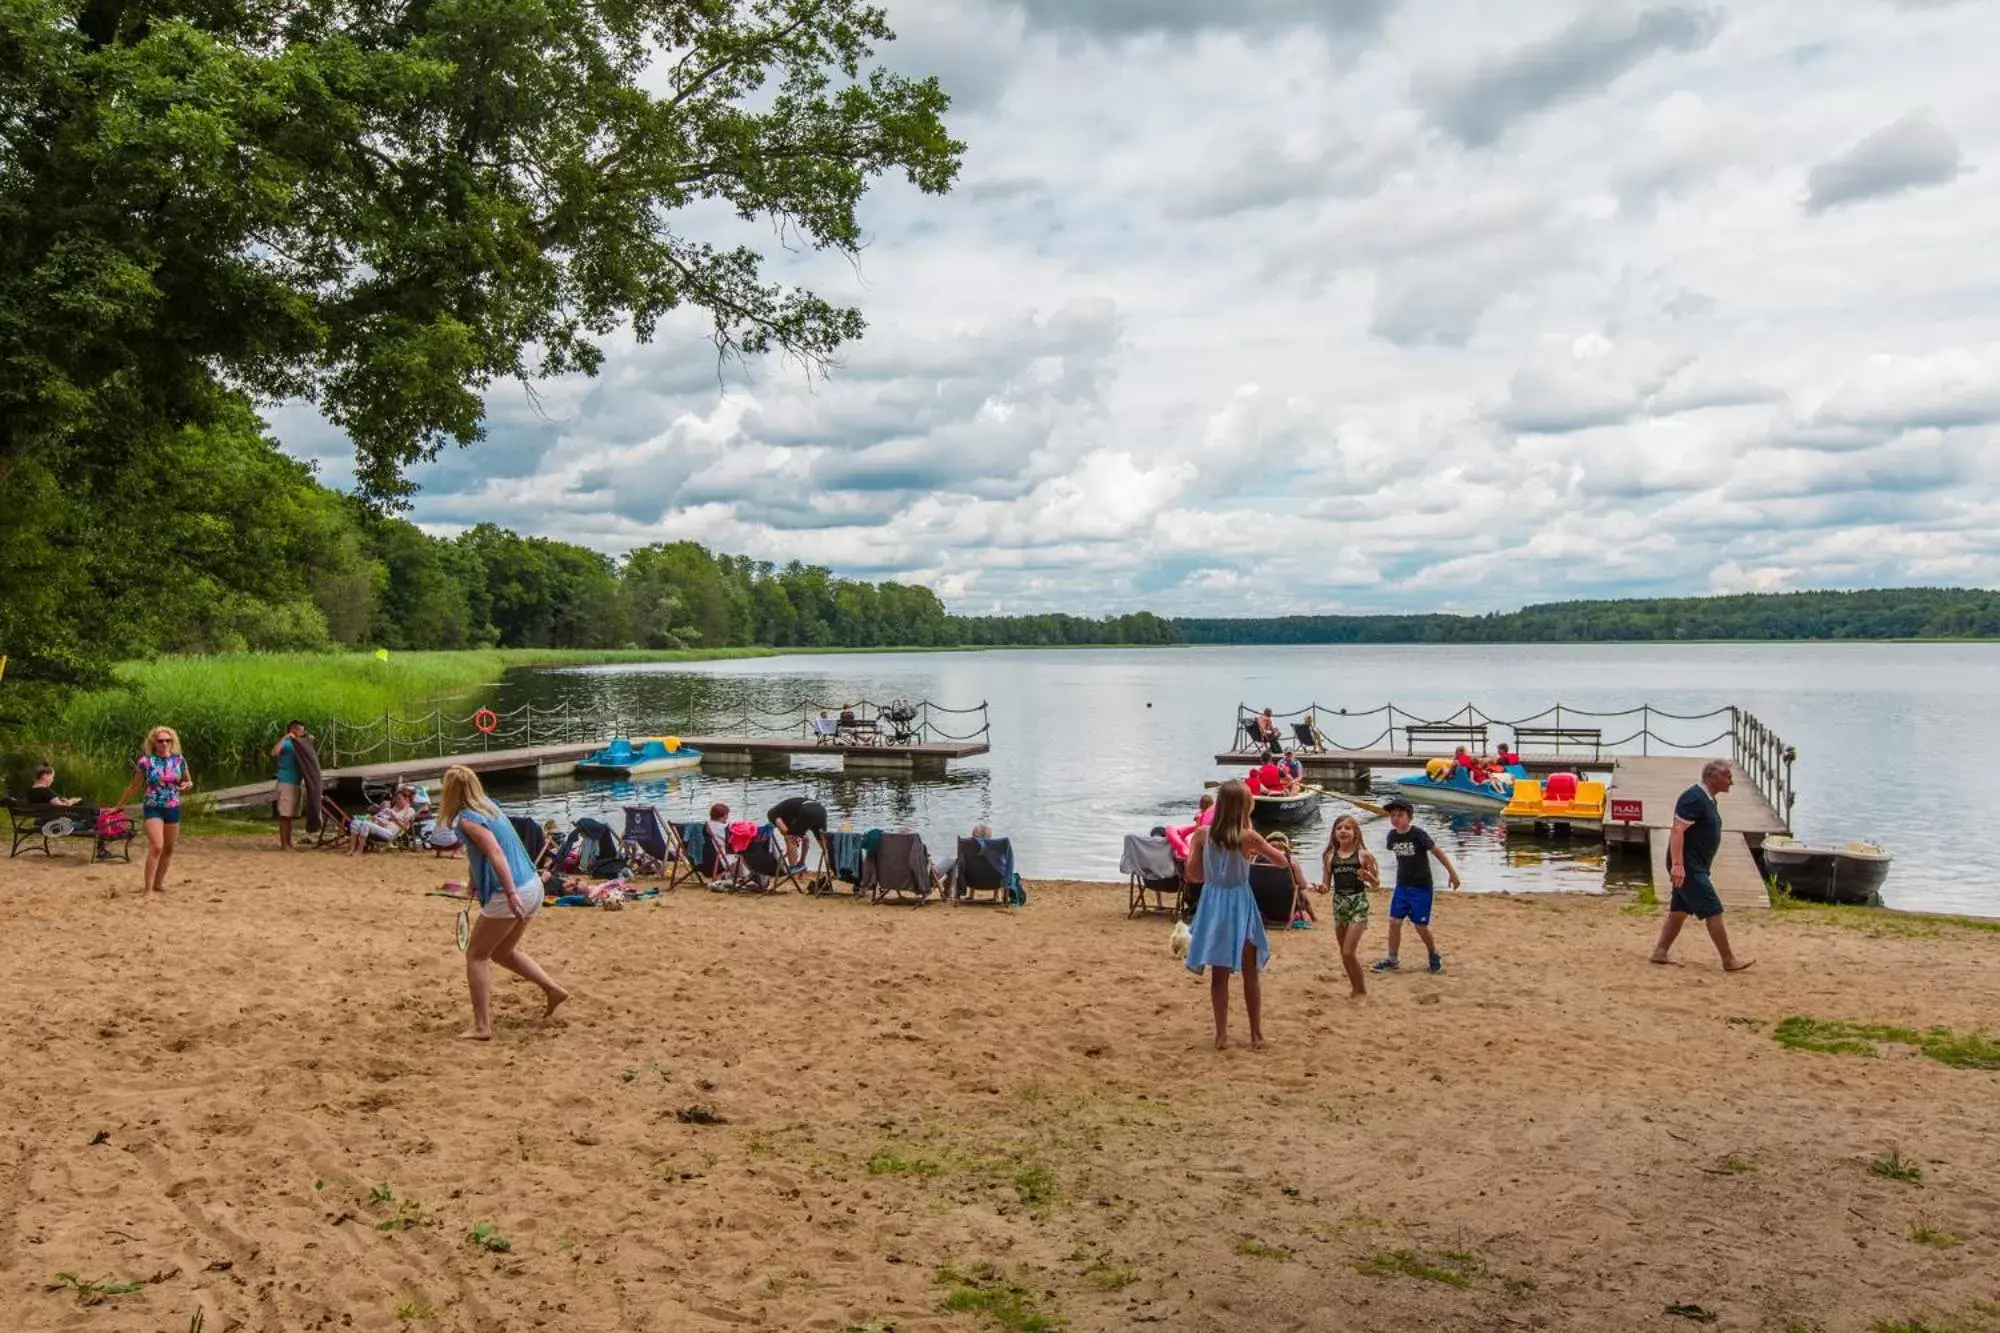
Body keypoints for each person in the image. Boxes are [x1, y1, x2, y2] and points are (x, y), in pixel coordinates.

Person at [442, 765, 569, 1040]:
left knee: (476, 956)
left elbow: (495, 851)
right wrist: (474, 881)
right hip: (532, 885)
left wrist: (510, 893)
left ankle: (481, 1026)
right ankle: (552, 989)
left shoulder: (467, 819)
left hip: (512, 890)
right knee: (503, 951)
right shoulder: (489, 806)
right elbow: (481, 855)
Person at [1182, 780, 1284, 1050]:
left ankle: (1221, 1035)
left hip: (1213, 902)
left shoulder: (1203, 834)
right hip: (1239, 902)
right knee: (1250, 972)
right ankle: (1256, 1034)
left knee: (1219, 973)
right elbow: (1281, 861)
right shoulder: (1248, 837)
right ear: (1245, 806)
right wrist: (1259, 852)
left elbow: (1194, 875)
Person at [1651, 760, 1753, 972]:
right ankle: (1728, 960)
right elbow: (1677, 830)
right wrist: (1678, 865)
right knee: (1712, 908)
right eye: (1727, 776)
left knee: (1679, 909)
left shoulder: (1708, 799)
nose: (1731, 781)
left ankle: (1660, 952)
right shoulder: (1694, 798)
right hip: (1689, 866)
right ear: (1711, 777)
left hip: (1696, 864)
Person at [1370, 797, 1460, 974]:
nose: (1395, 818)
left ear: (1409, 817)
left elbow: (1437, 851)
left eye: (1400, 815)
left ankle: (1434, 954)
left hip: (1421, 887)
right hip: (1402, 886)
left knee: (1421, 926)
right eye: (1392, 815)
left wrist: (1452, 873)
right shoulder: (1392, 836)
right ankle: (1392, 959)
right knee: (1394, 922)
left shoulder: (1418, 834)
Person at [114, 726, 193, 894]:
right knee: (157, 846)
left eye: (167, 740)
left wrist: (187, 785)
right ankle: (147, 889)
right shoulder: (146, 761)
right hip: (153, 807)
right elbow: (134, 786)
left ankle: (158, 883)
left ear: (172, 742)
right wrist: (118, 806)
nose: (164, 743)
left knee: (169, 848)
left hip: (173, 806)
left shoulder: (179, 760)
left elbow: (188, 781)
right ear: (153, 743)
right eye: (160, 741)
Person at [1320, 814, 1379, 1000]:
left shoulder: (1364, 856)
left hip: (1358, 904)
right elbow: (1327, 886)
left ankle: (1361, 990)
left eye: (1347, 828)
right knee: (1344, 954)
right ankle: (1354, 988)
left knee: (1348, 951)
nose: (1343, 831)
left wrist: (1369, 878)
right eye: (1339, 828)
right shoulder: (1330, 857)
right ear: (1334, 833)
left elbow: (1376, 885)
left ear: (1355, 833)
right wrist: (1321, 889)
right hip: (1339, 905)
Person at [1257, 831, 1316, 925]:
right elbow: (1303, 885)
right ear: (1286, 845)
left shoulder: (1256, 860)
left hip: (1262, 909)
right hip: (1285, 910)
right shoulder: (1291, 862)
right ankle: (1314, 918)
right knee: (1300, 891)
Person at [347, 786, 418, 855]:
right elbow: (387, 820)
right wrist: (377, 819)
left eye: (399, 799)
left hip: (390, 833)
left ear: (407, 799)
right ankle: (352, 848)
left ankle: (360, 850)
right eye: (397, 799)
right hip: (383, 828)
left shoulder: (410, 810)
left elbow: (405, 828)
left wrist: (393, 819)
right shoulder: (395, 808)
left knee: (365, 824)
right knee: (355, 822)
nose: (397, 801)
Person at [270, 720, 308, 851]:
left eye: (303, 731)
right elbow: (274, 752)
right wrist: (285, 737)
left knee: (290, 815)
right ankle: (284, 844)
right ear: (293, 730)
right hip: (286, 782)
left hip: (296, 782)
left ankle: (289, 842)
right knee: (285, 815)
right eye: (300, 731)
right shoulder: (287, 743)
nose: (302, 733)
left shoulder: (299, 744)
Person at [767, 794, 827, 867]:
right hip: (821, 810)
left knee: (790, 839)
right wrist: (793, 845)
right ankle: (833, 869)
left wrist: (790, 847)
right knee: (824, 844)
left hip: (807, 810)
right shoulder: (787, 814)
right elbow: (801, 834)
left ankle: (793, 868)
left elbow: (785, 832)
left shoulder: (772, 815)